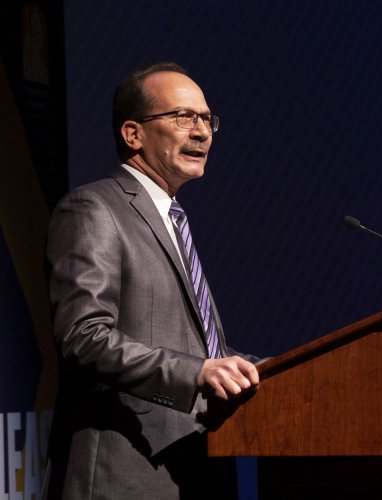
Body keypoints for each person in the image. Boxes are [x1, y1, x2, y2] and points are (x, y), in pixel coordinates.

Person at [44, 62, 260, 499]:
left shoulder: (173, 221)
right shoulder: (94, 208)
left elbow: (201, 351)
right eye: (183, 117)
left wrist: (269, 370)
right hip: (125, 472)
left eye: (206, 118)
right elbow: (83, 337)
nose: (201, 131)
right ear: (133, 134)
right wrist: (196, 372)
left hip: (193, 468)